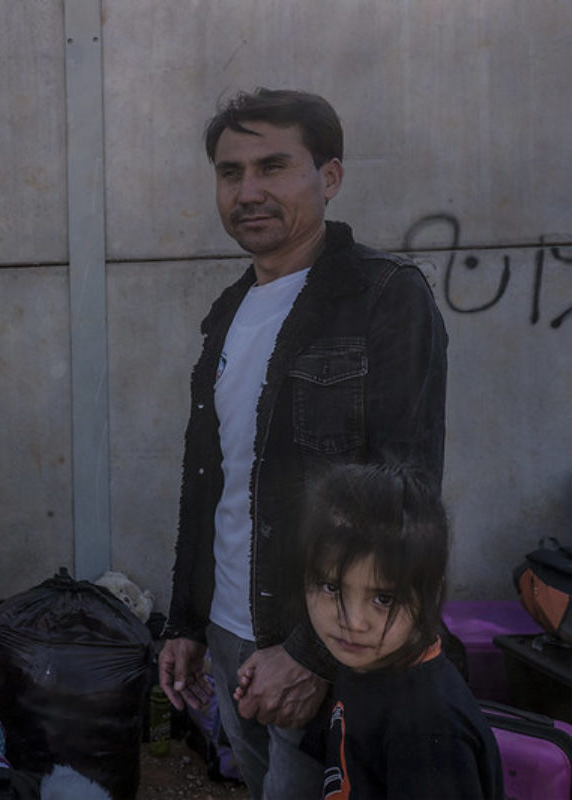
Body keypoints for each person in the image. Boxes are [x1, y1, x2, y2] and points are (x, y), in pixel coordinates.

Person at [158, 88, 448, 799]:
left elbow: (402, 498)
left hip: (320, 646)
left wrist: (314, 656)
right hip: (231, 637)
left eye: (274, 166)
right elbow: (213, 484)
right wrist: (188, 623)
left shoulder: (384, 296)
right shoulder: (229, 311)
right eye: (231, 173)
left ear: (331, 176)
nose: (248, 191)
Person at [285, 462, 502, 799]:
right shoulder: (363, 660)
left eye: (384, 598)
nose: (354, 622)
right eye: (332, 588)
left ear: (431, 594)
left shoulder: (430, 730)